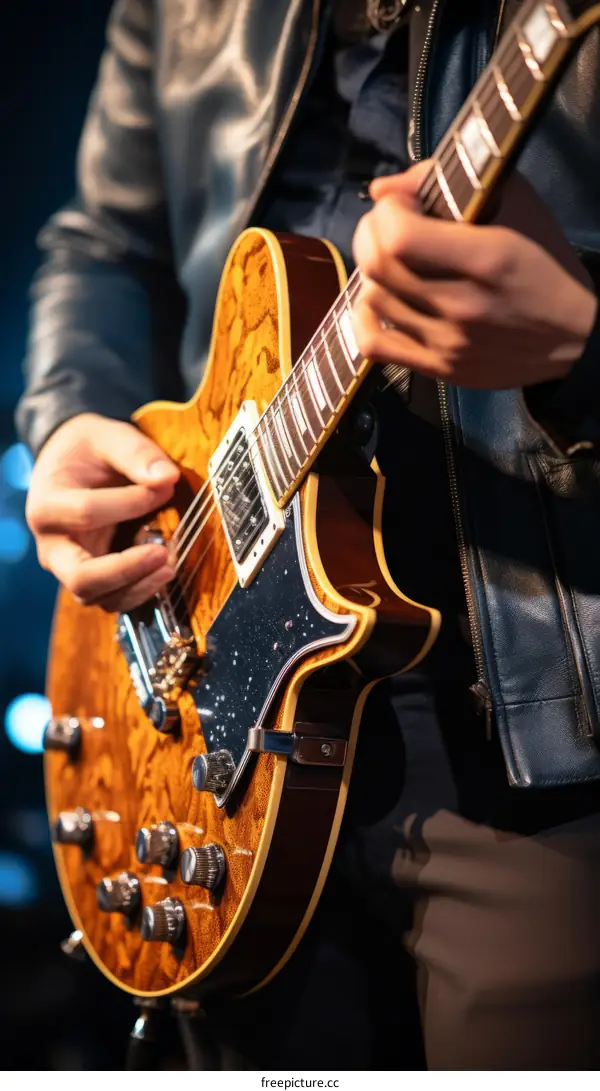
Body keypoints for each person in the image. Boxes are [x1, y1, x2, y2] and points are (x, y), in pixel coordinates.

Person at [18, 0, 600, 1070]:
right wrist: (62, 420)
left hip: (541, 741)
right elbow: (104, 240)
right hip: (204, 701)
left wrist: (587, 350)